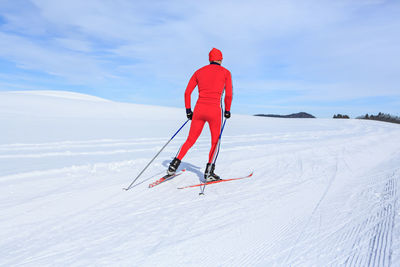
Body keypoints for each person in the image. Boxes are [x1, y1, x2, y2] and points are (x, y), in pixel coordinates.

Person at [167, 48, 233, 181]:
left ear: (210, 59)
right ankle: (209, 172)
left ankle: (173, 165)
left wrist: (188, 110)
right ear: (220, 59)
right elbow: (229, 94)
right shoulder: (226, 72)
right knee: (215, 142)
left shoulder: (199, 71)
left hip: (199, 110)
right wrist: (227, 110)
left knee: (190, 140)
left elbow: (187, 92)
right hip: (215, 111)